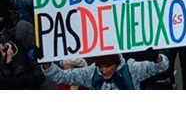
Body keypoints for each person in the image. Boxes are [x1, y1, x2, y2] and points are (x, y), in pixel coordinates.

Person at [41, 49, 169, 90]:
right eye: (100, 67)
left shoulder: (132, 69)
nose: (104, 71)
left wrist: (156, 57)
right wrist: (46, 63)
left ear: (117, 63)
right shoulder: (91, 73)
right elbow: (62, 77)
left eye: (108, 66)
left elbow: (162, 66)